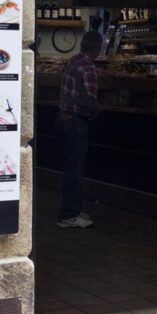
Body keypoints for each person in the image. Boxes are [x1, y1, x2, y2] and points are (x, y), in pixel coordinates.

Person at [56, 31, 103, 228]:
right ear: (97, 48)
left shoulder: (73, 61)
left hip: (64, 119)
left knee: (70, 166)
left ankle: (74, 208)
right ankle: (70, 214)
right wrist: (98, 110)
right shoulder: (89, 68)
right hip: (76, 122)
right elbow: (89, 101)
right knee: (75, 169)